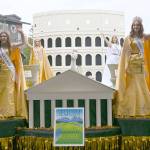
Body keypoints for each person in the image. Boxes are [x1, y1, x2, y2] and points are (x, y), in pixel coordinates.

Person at [115, 16, 150, 117]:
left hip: (141, 64)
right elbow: (125, 52)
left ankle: (143, 109)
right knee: (133, 86)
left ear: (140, 26)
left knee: (142, 85)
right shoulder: (128, 38)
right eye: (134, 25)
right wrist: (126, 67)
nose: (136, 26)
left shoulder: (143, 37)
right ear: (132, 26)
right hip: (131, 65)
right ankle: (129, 110)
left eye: (138, 25)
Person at [0, 26, 27, 119]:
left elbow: (23, 43)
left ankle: (8, 112)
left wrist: (21, 33)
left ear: (7, 38)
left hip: (9, 72)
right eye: (1, 36)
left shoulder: (11, 46)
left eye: (4, 36)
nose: (3, 37)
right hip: (1, 72)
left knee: (8, 91)